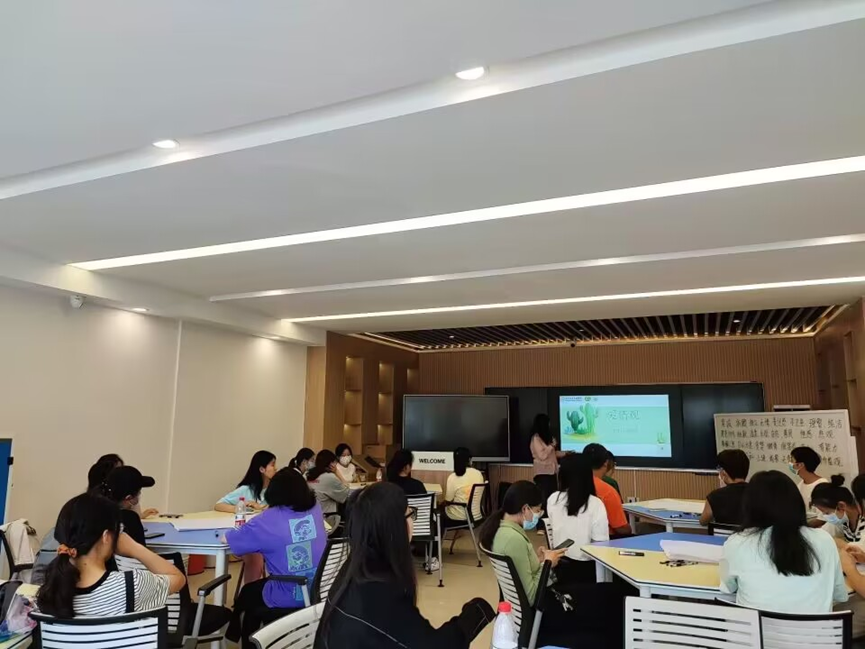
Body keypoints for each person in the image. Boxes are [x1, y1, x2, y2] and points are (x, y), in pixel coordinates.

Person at [314, 482, 494, 649]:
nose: (412, 521)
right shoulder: (381, 593)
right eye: (410, 515)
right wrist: (473, 617)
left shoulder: (354, 568)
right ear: (394, 526)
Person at [479, 481, 626, 648]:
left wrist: (540, 560)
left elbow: (521, 575)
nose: (538, 515)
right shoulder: (513, 539)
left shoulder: (501, 531)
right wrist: (548, 563)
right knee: (611, 599)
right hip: (542, 610)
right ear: (525, 509)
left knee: (607, 593)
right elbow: (532, 595)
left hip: (532, 607)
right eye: (537, 510)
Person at [37, 493, 185, 618]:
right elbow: (178, 578)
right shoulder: (132, 585)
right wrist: (135, 548)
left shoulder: (49, 591)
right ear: (106, 536)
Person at [226, 468, 327, 648]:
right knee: (251, 595)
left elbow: (233, 542)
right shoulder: (315, 509)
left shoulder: (266, 520)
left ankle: (243, 639)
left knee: (248, 594)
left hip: (289, 592)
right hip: (319, 588)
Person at [720, 470, 847, 613]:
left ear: (749, 506)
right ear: (796, 502)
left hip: (756, 627)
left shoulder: (736, 542)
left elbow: (727, 587)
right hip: (816, 628)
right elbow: (839, 594)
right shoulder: (824, 539)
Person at [546, 454, 609, 583]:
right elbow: (601, 546)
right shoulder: (595, 504)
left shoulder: (553, 499)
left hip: (559, 567)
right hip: (587, 572)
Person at [93, 466, 157, 545]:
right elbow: (139, 549)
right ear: (128, 498)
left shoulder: (93, 512)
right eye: (139, 493)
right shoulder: (129, 518)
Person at [583, 444, 630, 537]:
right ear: (606, 463)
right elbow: (621, 528)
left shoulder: (571, 485)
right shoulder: (607, 491)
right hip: (606, 540)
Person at [700, 449, 749, 526]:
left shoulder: (715, 496)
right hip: (751, 534)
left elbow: (703, 521)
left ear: (723, 473)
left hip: (723, 534)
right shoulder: (759, 493)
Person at [812, 476, 865, 543]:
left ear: (841, 506)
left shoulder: (862, 521)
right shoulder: (844, 522)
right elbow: (822, 535)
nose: (825, 516)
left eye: (827, 513)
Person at [529, 414, 565, 510]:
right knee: (545, 500)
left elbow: (552, 454)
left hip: (552, 473)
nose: (549, 425)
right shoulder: (536, 438)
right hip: (543, 474)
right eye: (548, 423)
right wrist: (552, 445)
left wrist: (566, 453)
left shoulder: (545, 437)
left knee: (553, 499)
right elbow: (542, 456)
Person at [443, 447, 485, 523]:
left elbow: (448, 500)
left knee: (439, 512)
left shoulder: (453, 477)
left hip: (458, 517)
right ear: (469, 460)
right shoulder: (478, 474)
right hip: (476, 515)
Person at [307, 450, 351, 515]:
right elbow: (346, 493)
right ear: (330, 464)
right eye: (335, 462)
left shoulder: (310, 475)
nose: (336, 464)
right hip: (327, 515)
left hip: (314, 514)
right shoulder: (329, 477)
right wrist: (336, 472)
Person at [790, 446, 829, 512]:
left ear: (800, 465)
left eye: (792, 461)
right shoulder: (800, 484)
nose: (790, 464)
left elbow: (824, 514)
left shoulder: (822, 485)